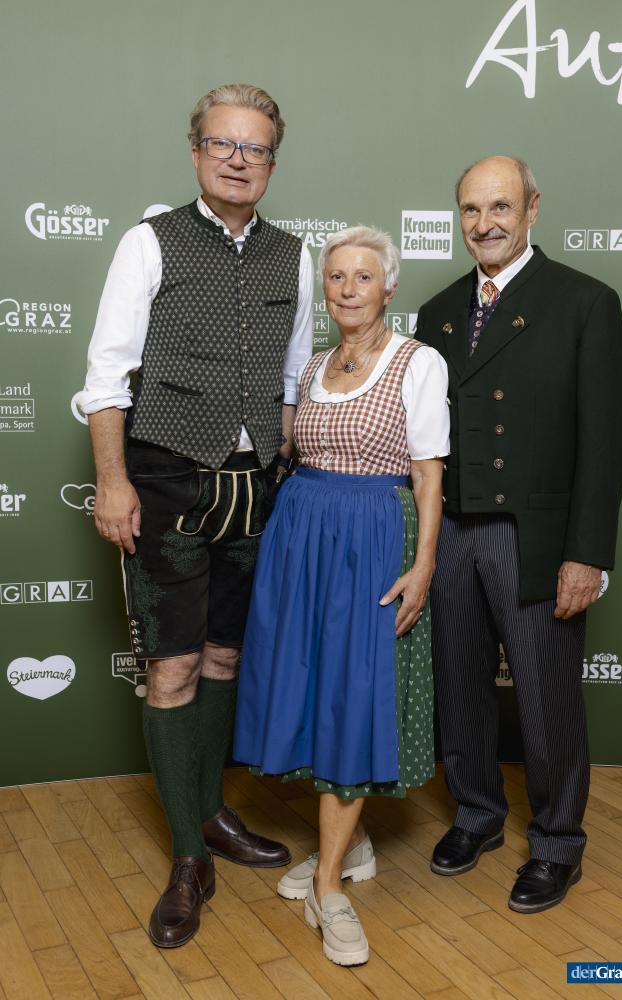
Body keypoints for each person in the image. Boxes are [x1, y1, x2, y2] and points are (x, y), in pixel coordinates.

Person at [75, 83, 314, 948]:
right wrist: (113, 482)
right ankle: (186, 859)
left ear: (271, 163)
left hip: (254, 485)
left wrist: (288, 467)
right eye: (224, 144)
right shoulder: (149, 242)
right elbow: (108, 375)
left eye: (255, 149)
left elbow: (290, 380)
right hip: (166, 480)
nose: (239, 161)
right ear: (197, 152)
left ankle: (209, 814)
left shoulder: (296, 255)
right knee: (171, 669)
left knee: (222, 658)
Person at [234, 226, 449, 964]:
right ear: (323, 289)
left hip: (372, 536)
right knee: (313, 688)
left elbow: (428, 472)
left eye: (363, 276)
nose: (348, 289)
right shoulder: (314, 366)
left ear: (388, 287)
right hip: (303, 536)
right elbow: (290, 451)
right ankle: (350, 847)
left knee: (354, 695)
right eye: (335, 277)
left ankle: (328, 885)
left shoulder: (417, 362)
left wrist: (423, 565)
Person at [417, 156, 622, 913]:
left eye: (500, 207)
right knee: (457, 684)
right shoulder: (438, 311)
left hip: (532, 534)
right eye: (471, 210)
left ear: (532, 208)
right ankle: (476, 813)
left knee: (545, 696)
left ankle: (557, 844)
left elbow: (604, 443)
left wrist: (586, 554)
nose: (485, 224)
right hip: (452, 530)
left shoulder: (584, 301)